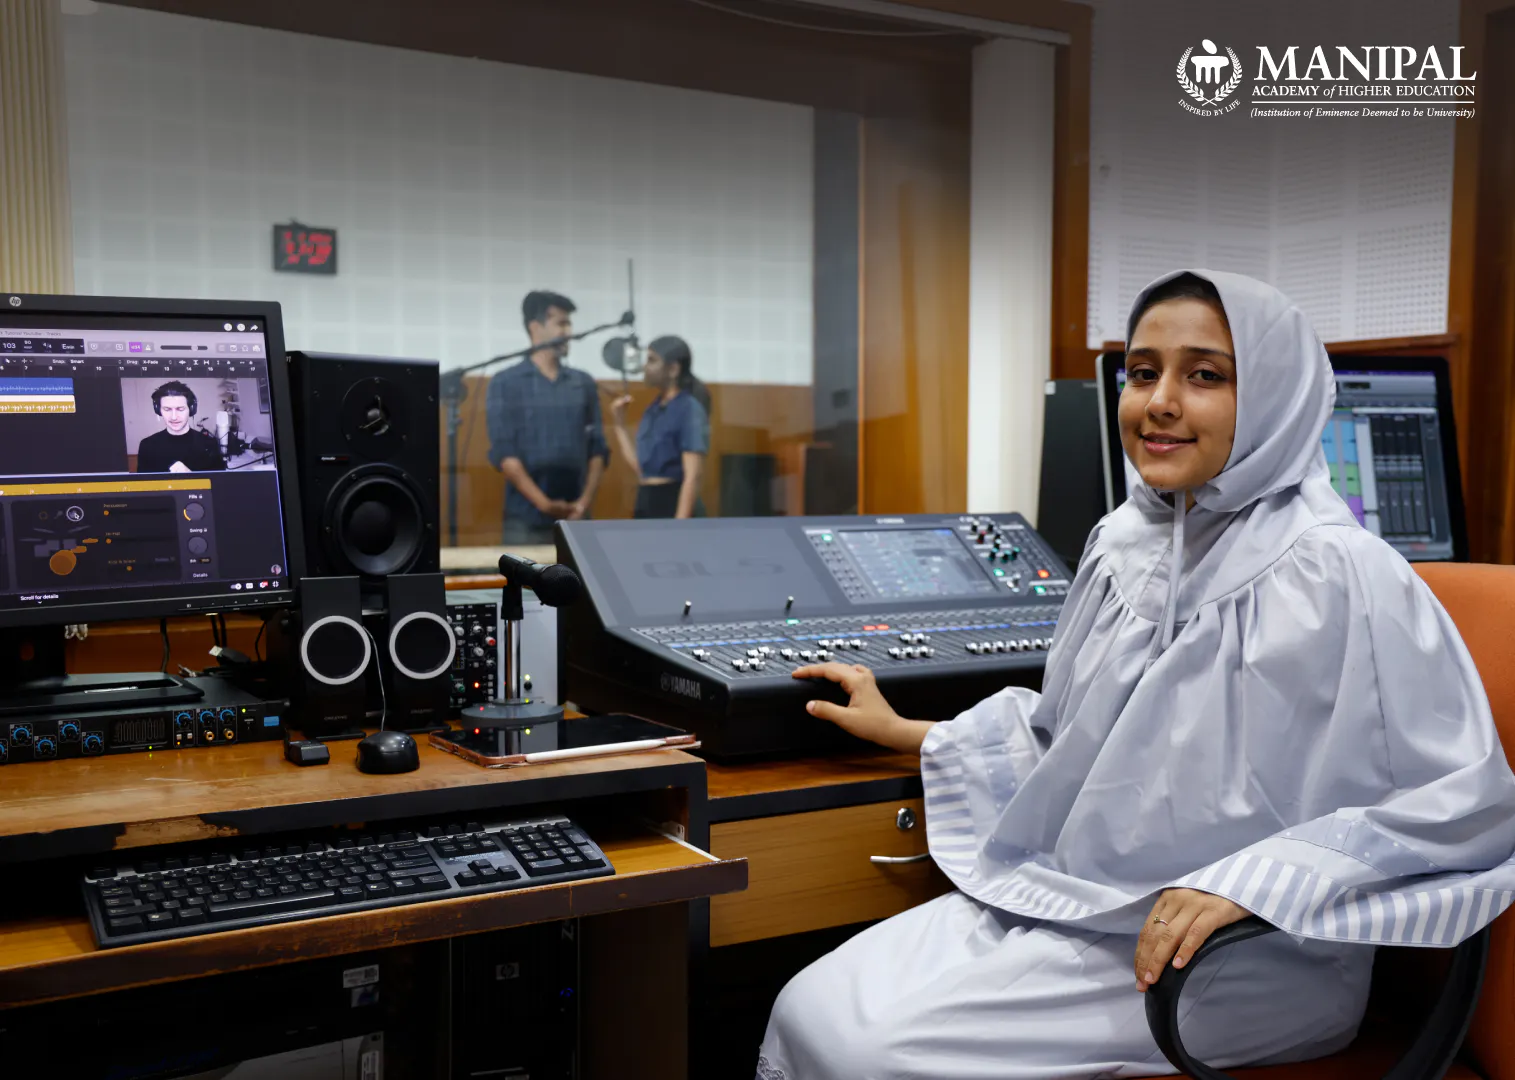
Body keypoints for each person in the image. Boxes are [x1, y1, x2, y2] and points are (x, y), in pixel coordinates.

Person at [756, 270, 1515, 1080]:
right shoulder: (1122, 546)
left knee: (871, 1055)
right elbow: (1074, 743)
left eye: (1205, 375)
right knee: (809, 1005)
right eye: (1143, 372)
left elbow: (1460, 806)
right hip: (1086, 906)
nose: (1159, 402)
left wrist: (1253, 884)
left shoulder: (1342, 570)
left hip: (1254, 948)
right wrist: (911, 731)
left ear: (1275, 395)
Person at [486, 290, 609, 545]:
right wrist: (544, 504)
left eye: (569, 323)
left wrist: (583, 503)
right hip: (525, 518)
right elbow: (504, 453)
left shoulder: (582, 383)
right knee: (522, 572)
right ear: (535, 327)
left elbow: (598, 449)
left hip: (578, 515)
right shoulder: (506, 383)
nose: (569, 331)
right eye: (561, 323)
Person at [608, 335, 711, 519]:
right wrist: (619, 425)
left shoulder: (688, 409)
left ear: (673, 369)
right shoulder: (653, 410)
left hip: (673, 501)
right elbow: (642, 468)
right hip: (647, 500)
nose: (645, 367)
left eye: (652, 360)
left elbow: (693, 476)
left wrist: (679, 526)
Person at [136, 381, 225, 473]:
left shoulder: (210, 444)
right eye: (167, 409)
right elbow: (142, 481)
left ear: (191, 409)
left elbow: (219, 481)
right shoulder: (147, 446)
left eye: (180, 409)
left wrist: (191, 477)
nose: (174, 417)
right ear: (159, 410)